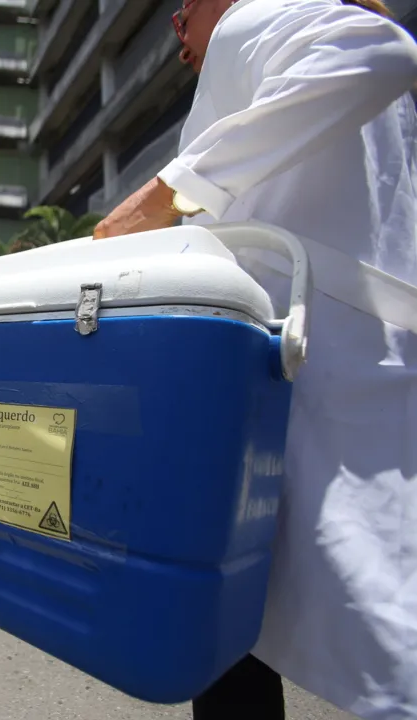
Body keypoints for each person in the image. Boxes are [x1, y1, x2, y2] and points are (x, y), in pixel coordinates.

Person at [92, 1, 417, 718]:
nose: (179, 37)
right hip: (345, 369)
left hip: (304, 377)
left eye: (182, 14)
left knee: (359, 630)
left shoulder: (252, 21)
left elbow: (378, 52)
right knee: (245, 616)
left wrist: (164, 194)